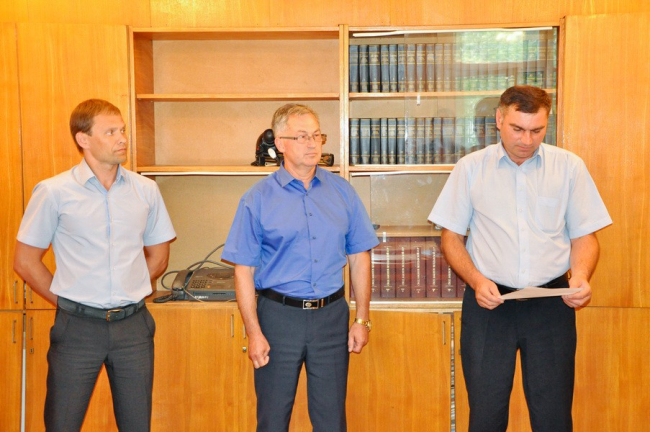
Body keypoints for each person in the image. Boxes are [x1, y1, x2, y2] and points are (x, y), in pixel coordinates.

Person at [428, 86, 612, 432]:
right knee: (486, 413)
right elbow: (450, 237)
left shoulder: (569, 167)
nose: (527, 140)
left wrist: (581, 276)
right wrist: (476, 281)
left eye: (537, 130)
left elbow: (585, 236)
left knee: (553, 415)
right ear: (499, 119)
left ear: (547, 124)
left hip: (551, 303)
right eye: (518, 129)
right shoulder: (471, 168)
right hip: (488, 303)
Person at [13, 99, 176, 431]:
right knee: (62, 423)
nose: (122, 139)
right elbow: (25, 261)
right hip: (77, 329)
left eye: (123, 130)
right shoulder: (54, 192)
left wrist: (128, 286)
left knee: (137, 424)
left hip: (133, 327)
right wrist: (70, 302)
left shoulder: (146, 190)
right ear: (83, 139)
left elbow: (159, 257)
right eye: (111, 132)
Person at [222, 103, 378, 432]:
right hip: (278, 319)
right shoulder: (257, 198)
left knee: (331, 420)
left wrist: (361, 318)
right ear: (280, 143)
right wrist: (254, 332)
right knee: (273, 419)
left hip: (331, 318)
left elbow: (359, 256)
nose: (312, 144)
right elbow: (243, 270)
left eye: (317, 136)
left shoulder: (343, 192)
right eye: (302, 136)